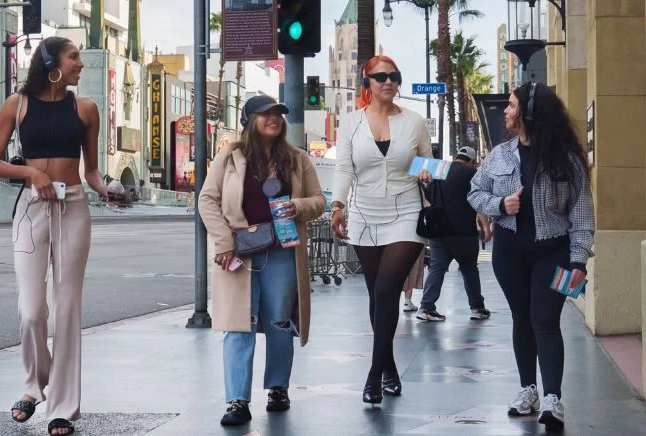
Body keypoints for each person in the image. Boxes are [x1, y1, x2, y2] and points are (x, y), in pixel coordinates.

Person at [0, 36, 109, 436]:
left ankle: (63, 407)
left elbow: (91, 171)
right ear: (52, 61)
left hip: (72, 206)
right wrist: (31, 172)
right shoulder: (16, 106)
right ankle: (35, 384)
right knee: (32, 310)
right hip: (31, 209)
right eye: (75, 57)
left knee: (69, 307)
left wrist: (111, 191)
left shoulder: (86, 108)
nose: (80, 64)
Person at [467, 82, 594, 430]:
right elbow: (475, 192)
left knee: (545, 320)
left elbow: (582, 216)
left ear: (529, 112)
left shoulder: (567, 160)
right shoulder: (499, 155)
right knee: (521, 318)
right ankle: (528, 390)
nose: (506, 112)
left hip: (553, 252)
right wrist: (499, 206)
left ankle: (553, 397)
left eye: (511, 105)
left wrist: (578, 261)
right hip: (508, 253)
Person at [198, 95, 326, 426]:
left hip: (283, 250)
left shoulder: (296, 159)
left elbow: (319, 201)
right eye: (266, 114)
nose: (274, 119)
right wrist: (223, 241)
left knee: (279, 323)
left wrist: (297, 207)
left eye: (278, 114)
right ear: (249, 120)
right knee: (238, 325)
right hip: (239, 252)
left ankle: (278, 388)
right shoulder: (230, 156)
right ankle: (237, 400)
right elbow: (207, 200)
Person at [330, 55, 433, 405]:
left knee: (388, 289)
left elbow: (430, 163)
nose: (388, 82)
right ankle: (388, 367)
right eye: (380, 77)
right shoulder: (351, 122)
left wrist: (425, 171)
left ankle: (374, 374)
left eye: (393, 76)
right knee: (377, 295)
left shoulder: (415, 122)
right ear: (367, 83)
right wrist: (338, 204)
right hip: (363, 213)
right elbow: (344, 168)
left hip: (406, 209)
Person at [415, 146, 493, 322]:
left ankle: (426, 307)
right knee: (469, 268)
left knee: (437, 268)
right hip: (464, 232)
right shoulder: (471, 173)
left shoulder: (439, 169)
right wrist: (486, 226)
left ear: (457, 157)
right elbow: (477, 202)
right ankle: (477, 308)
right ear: (471, 161)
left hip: (438, 230)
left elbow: (426, 194)